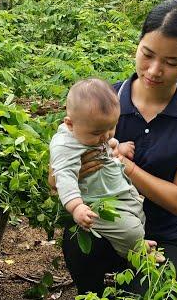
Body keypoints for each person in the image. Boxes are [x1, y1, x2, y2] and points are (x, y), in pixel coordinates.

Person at [49, 0, 177, 300]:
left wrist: (124, 166)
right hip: (104, 224)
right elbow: (57, 179)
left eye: (172, 62)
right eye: (148, 54)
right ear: (138, 44)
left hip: (165, 234)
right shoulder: (100, 102)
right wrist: (72, 175)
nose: (155, 70)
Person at [50, 77, 160, 261]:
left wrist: (117, 145)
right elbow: (65, 177)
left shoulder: (90, 132)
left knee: (138, 217)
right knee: (130, 230)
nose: (105, 136)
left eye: (111, 128)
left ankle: (135, 243)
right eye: (97, 133)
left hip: (118, 192)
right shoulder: (65, 145)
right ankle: (137, 254)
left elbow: (105, 144)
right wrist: (77, 207)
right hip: (95, 202)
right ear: (70, 124)